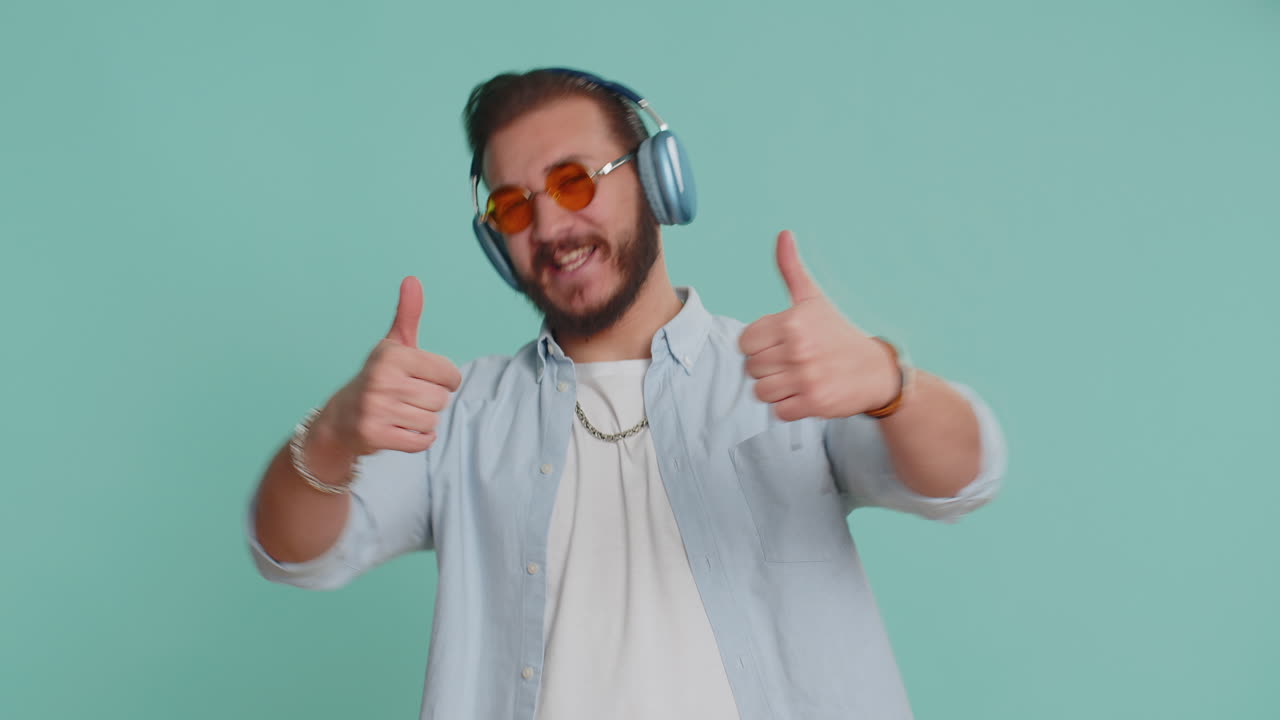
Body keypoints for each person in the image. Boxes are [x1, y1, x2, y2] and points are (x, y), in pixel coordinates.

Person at [247, 68, 1006, 720]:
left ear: (656, 177)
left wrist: (888, 383)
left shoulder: (785, 374)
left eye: (574, 181)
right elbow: (289, 553)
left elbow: (964, 478)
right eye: (512, 207)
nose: (549, 224)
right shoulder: (462, 414)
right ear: (496, 243)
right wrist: (332, 436)